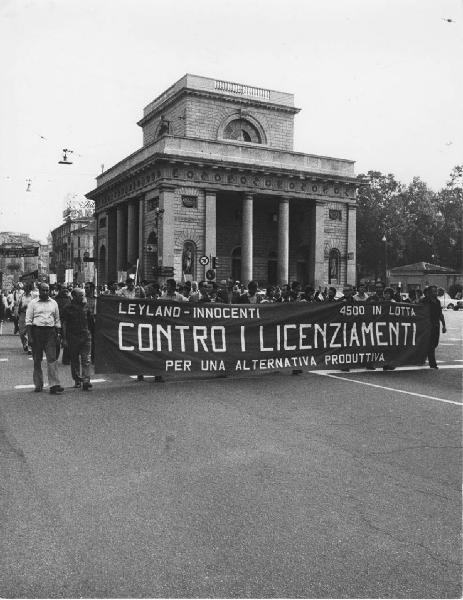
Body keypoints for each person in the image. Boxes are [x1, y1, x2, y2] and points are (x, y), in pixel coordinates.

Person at [25, 283, 64, 394]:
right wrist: (30, 337)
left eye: (47, 290)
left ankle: (54, 385)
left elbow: (57, 320)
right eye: (43, 290)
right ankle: (38, 384)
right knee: (37, 360)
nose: (46, 292)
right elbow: (28, 321)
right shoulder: (33, 303)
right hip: (37, 332)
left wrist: (58, 335)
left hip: (50, 333)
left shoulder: (54, 303)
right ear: (39, 291)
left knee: (52, 359)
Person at [61, 288, 93, 390]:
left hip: (85, 336)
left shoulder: (86, 307)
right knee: (74, 360)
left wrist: (92, 333)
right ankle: (77, 380)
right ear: (74, 296)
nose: (83, 297)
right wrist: (64, 338)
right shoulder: (67, 308)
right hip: (73, 337)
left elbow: (91, 322)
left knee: (86, 359)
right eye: (80, 295)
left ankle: (86, 381)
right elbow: (64, 324)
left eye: (83, 295)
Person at [420, 285, 447, 369]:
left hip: (436, 326)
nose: (436, 293)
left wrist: (443, 325)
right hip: (427, 326)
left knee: (434, 343)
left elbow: (440, 314)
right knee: (431, 345)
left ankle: (424, 358)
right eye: (434, 291)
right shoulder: (424, 301)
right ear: (429, 292)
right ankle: (433, 364)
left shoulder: (437, 302)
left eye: (436, 291)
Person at [17, 282, 35, 354]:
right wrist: (22, 308)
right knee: (22, 332)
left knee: (30, 331)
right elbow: (19, 306)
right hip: (23, 314)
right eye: (25, 288)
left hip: (31, 315)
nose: (26, 289)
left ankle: (30, 348)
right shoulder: (22, 296)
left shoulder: (34, 296)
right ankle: (25, 344)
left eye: (27, 288)